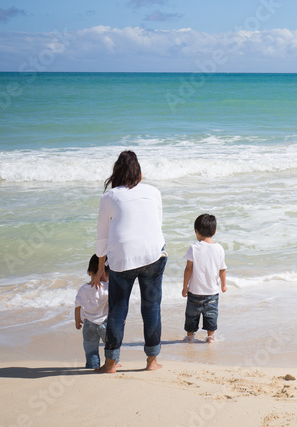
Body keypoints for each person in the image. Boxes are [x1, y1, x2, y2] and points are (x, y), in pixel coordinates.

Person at [92, 150, 167, 373]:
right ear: (140, 175)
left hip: (123, 258)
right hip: (154, 254)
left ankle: (111, 364)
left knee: (117, 310)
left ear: (116, 174)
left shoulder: (109, 197)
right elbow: (157, 223)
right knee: (151, 307)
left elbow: (102, 237)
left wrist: (99, 269)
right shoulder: (154, 191)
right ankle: (152, 362)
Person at [182, 213, 227, 343]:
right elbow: (222, 269)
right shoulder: (219, 249)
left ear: (197, 231)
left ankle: (190, 337)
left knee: (191, 317)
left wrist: (185, 287)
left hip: (194, 292)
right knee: (211, 317)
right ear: (215, 231)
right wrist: (223, 285)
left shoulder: (194, 248)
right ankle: (211, 338)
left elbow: (188, 269)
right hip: (212, 293)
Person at [74, 254, 108, 369]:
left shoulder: (83, 288)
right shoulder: (107, 288)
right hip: (105, 322)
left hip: (88, 324)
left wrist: (77, 320)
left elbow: (77, 306)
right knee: (110, 345)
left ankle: (92, 365)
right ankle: (112, 362)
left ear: (89, 272)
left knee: (90, 347)